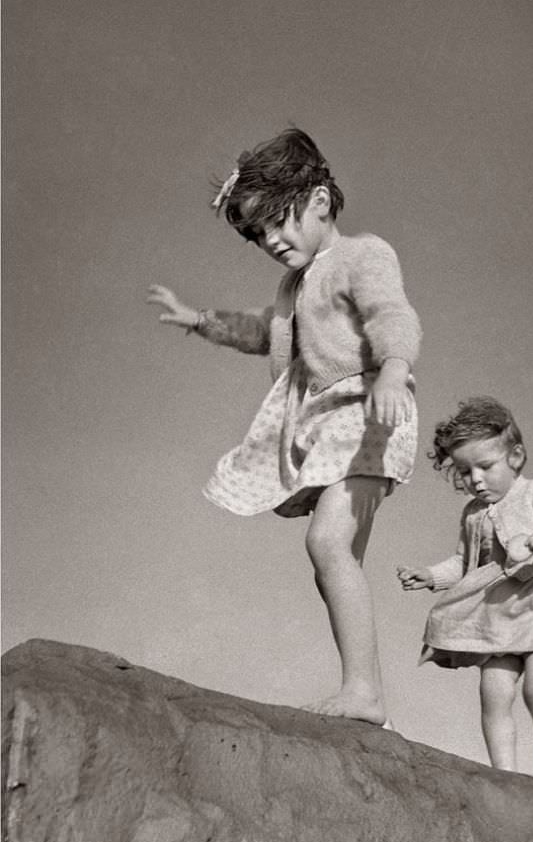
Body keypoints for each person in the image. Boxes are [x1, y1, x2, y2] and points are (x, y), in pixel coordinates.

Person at [148, 128, 421, 725]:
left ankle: (364, 694)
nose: (269, 240)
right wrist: (199, 320)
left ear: (319, 200)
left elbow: (391, 312)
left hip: (368, 413)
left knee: (326, 544)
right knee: (332, 563)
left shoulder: (362, 255)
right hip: (325, 426)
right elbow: (263, 331)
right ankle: (366, 690)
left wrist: (395, 368)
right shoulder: (292, 286)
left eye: (278, 221)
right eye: (256, 233)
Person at [397, 396, 533, 786]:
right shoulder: (472, 514)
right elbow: (466, 565)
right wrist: (431, 576)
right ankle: (506, 779)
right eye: (464, 471)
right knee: (493, 690)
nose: (475, 479)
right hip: (497, 617)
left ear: (515, 457)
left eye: (485, 466)